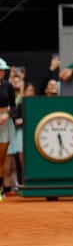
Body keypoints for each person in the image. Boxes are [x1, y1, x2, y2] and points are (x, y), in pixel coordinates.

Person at [0, 58, 16, 199]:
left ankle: (0, 190)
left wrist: (7, 115)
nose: (2, 73)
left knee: (1, 159)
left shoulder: (8, 86)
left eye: (3, 70)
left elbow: (14, 107)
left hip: (5, 123)